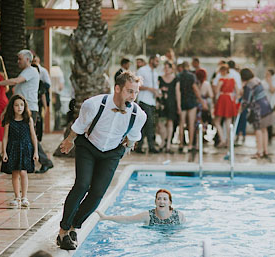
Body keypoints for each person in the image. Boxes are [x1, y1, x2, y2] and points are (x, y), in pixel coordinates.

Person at [54, 72, 147, 250]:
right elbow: (79, 126)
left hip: (112, 152)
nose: (133, 97)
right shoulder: (94, 104)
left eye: (135, 92)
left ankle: (74, 227)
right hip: (88, 146)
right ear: (117, 89)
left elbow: (134, 137)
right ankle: (63, 231)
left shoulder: (139, 115)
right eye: (129, 91)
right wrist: (69, 141)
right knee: (82, 185)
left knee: (97, 193)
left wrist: (126, 148)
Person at [0, 50, 53, 173]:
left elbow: (14, 82)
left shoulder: (31, 71)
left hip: (28, 109)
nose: (18, 62)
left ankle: (44, 161)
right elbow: (16, 93)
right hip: (21, 108)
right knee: (26, 136)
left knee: (29, 135)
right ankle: (37, 161)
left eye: (20, 59)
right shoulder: (25, 72)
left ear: (27, 60)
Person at [0, 95, 38, 207]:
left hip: (26, 148)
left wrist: (35, 151)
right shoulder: (9, 121)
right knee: (15, 173)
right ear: (12, 107)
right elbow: (5, 137)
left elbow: (33, 136)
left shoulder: (28, 120)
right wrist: (4, 152)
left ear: (25, 106)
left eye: (21, 105)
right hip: (13, 148)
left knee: (23, 172)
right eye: (16, 105)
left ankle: (24, 197)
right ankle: (17, 197)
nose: (19, 107)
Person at [96, 189, 187, 226]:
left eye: (165, 199)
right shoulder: (148, 216)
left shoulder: (179, 216)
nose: (161, 201)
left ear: (170, 202)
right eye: (159, 199)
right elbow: (127, 219)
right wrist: (106, 218)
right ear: (155, 202)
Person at [239, 69, 274, 160]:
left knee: (258, 129)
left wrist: (240, 109)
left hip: (257, 109)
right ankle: (265, 150)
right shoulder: (257, 80)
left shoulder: (249, 85)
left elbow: (246, 101)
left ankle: (259, 152)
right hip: (266, 106)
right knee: (264, 129)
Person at [135, 56, 162, 153]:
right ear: (151, 60)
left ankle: (151, 145)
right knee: (144, 124)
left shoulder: (155, 73)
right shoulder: (142, 70)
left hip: (152, 101)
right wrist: (149, 89)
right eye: (156, 61)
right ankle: (140, 145)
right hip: (144, 100)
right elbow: (137, 85)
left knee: (151, 125)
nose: (157, 63)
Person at [157, 62, 182, 153]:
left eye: (168, 68)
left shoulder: (175, 79)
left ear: (172, 69)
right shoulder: (160, 78)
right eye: (165, 68)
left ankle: (168, 144)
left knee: (170, 123)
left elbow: (177, 93)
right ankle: (164, 140)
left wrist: (178, 106)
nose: (166, 69)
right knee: (160, 123)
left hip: (172, 103)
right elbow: (158, 90)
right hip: (163, 103)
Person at [178, 61, 200, 154]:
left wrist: (178, 104)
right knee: (191, 124)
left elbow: (178, 90)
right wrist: (201, 100)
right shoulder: (192, 76)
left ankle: (181, 144)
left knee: (181, 124)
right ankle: (190, 144)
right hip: (191, 101)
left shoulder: (178, 76)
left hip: (182, 101)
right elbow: (195, 89)